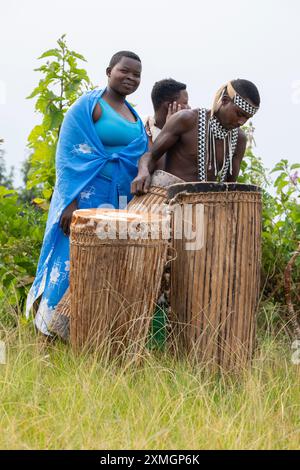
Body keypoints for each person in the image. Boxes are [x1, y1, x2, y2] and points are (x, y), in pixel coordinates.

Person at [26, 51, 148, 335]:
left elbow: (141, 156)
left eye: (137, 74)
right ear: (109, 71)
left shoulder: (134, 117)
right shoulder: (88, 106)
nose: (131, 78)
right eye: (125, 71)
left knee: (102, 265)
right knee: (69, 261)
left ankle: (86, 333)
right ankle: (48, 331)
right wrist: (70, 203)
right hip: (84, 199)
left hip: (116, 203)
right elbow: (67, 156)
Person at [131, 79, 260, 194]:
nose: (242, 122)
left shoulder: (239, 139)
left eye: (247, 118)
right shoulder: (187, 120)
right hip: (170, 202)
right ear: (225, 100)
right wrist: (143, 172)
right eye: (239, 114)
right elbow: (150, 156)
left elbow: (231, 187)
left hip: (206, 209)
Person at [144, 78, 189, 171]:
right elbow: (160, 168)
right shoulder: (144, 132)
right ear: (169, 105)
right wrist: (169, 128)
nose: (189, 108)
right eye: (185, 103)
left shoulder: (187, 134)